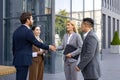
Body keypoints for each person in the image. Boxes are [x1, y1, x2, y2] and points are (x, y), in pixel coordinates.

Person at [12, 12, 56, 80]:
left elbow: (13, 48)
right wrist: (49, 47)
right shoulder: (28, 31)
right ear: (27, 20)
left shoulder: (16, 31)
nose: (33, 21)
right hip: (24, 61)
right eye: (32, 19)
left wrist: (16, 57)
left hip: (17, 60)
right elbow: (36, 43)